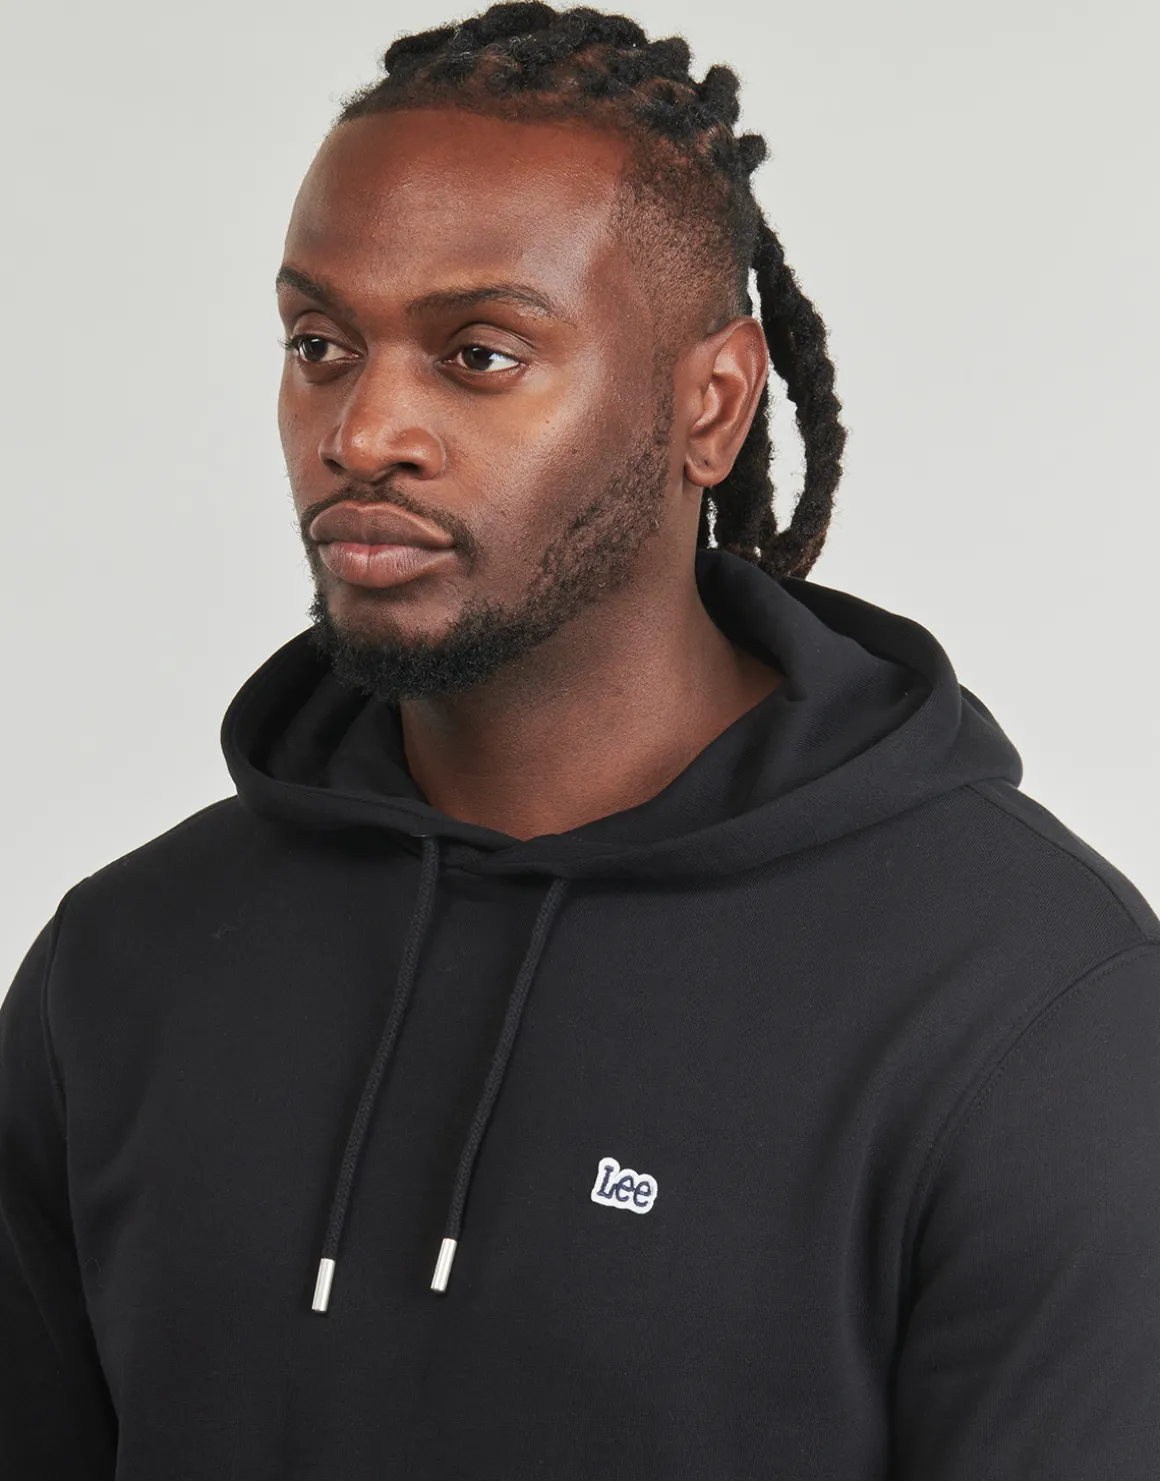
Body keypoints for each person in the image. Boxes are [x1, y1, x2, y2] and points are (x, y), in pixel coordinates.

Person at [2, 3, 1157, 1476]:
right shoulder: (119, 967)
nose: (363, 431)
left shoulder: (1031, 1008)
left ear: (712, 404)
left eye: (480, 354)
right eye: (320, 343)